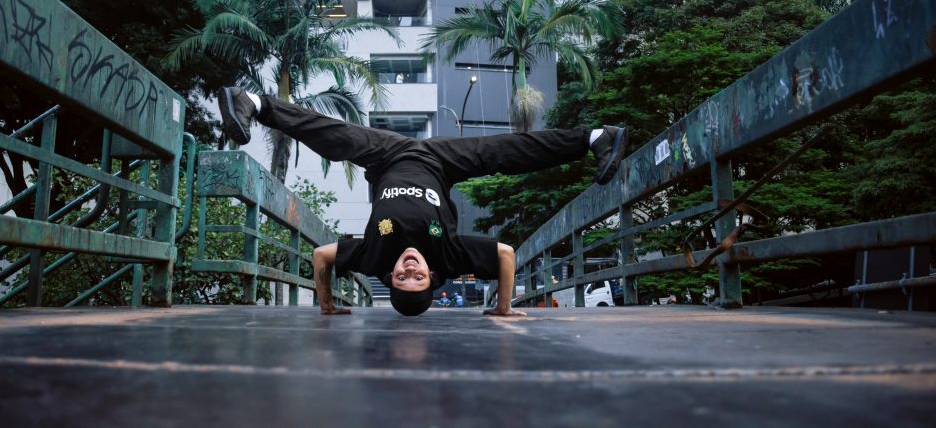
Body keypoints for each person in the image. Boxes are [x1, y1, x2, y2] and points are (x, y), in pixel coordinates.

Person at [218, 86, 628, 317]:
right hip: (440, 162)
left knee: (336, 137)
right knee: (505, 150)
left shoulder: (374, 257)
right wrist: (503, 309)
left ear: (389, 275)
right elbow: (504, 255)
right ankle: (596, 138)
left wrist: (326, 308)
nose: (408, 269)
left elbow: (322, 257)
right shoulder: (448, 257)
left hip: (388, 154)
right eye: (417, 278)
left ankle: (252, 102)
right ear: (433, 276)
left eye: (401, 278)